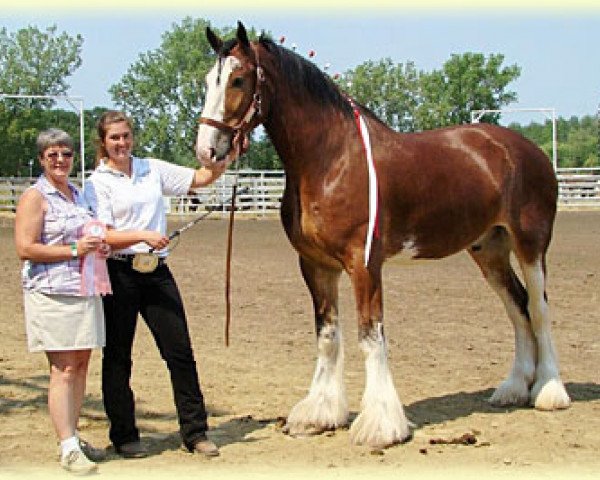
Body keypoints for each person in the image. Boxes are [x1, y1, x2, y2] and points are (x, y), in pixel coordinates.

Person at [84, 110, 231, 459]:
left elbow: (200, 177)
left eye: (126, 135)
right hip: (119, 273)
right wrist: (144, 235)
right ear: (103, 143)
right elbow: (102, 233)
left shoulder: (152, 168)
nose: (122, 143)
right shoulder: (97, 182)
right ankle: (124, 436)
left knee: (180, 352)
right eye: (114, 138)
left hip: (156, 273)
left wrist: (223, 155)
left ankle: (195, 432)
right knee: (118, 357)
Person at [14, 128, 110, 475]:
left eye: (66, 154)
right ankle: (67, 446)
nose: (60, 160)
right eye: (52, 154)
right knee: (63, 368)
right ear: (42, 159)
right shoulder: (34, 197)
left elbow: (89, 234)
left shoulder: (78, 195)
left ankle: (72, 435)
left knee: (81, 364)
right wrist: (72, 250)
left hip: (83, 288)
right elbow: (25, 248)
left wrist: (99, 246)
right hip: (51, 292)